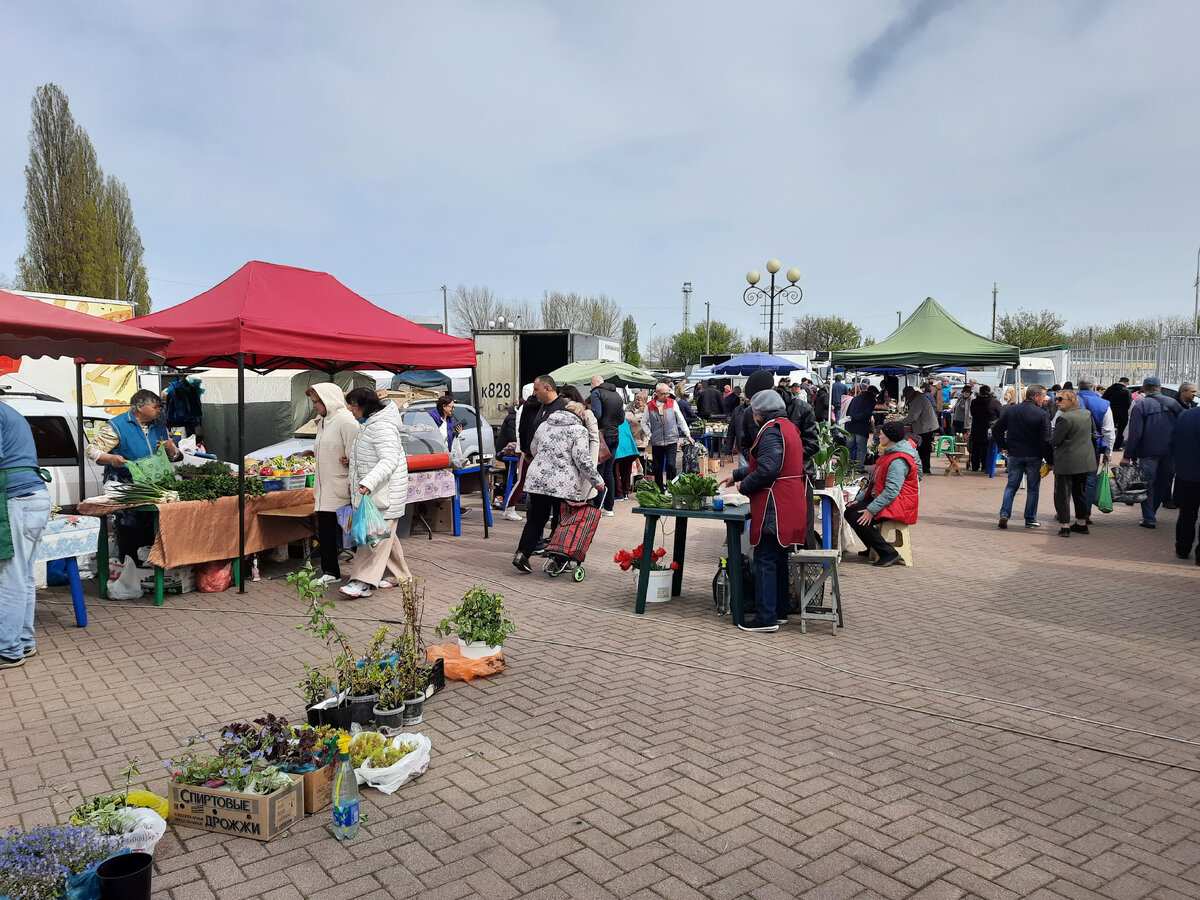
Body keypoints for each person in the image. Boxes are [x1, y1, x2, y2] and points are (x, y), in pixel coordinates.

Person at [720, 390, 806, 633]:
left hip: (775, 501)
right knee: (778, 558)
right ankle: (778, 612)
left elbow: (768, 469)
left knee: (765, 558)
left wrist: (744, 486)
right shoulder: (786, 425)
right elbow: (771, 463)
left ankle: (766, 617)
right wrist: (736, 475)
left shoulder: (770, 430)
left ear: (758, 413)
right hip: (789, 498)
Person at [85, 389, 184, 563]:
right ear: (139, 406)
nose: (159, 410)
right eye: (155, 407)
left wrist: (171, 449)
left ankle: (150, 569)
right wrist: (111, 458)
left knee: (153, 529)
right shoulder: (117, 426)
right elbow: (92, 450)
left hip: (155, 487)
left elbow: (174, 455)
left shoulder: (159, 425)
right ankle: (130, 566)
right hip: (127, 487)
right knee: (130, 529)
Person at [512, 405, 605, 573]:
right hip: (563, 482)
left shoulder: (544, 425)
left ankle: (522, 554)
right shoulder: (579, 430)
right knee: (562, 520)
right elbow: (582, 459)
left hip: (537, 479)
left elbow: (534, 449)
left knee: (536, 519)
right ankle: (558, 559)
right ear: (580, 415)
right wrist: (597, 481)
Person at [340, 388, 410, 598]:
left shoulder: (381, 427)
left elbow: (388, 460)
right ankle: (401, 576)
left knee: (374, 539)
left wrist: (368, 482)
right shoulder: (369, 425)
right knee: (386, 537)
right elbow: (369, 456)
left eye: (354, 406)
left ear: (365, 406)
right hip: (377, 492)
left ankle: (363, 581)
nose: (351, 410)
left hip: (384, 494)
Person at [0, 403, 52, 669]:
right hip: (33, 496)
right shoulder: (9, 411)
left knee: (10, 576)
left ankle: (7, 650)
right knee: (23, 575)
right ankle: (23, 641)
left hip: (17, 498)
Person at [845, 421, 919, 568]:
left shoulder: (898, 460)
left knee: (857, 517)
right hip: (888, 499)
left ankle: (888, 552)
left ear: (890, 437)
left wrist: (871, 510)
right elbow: (875, 483)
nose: (879, 436)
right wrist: (858, 499)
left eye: (882, 434)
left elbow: (891, 491)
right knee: (849, 511)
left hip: (899, 503)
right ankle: (873, 546)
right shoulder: (889, 454)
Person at [306, 384, 359, 585]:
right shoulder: (322, 422)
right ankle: (330, 571)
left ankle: (366, 571)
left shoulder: (347, 422)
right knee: (325, 531)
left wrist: (351, 479)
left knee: (352, 533)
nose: (314, 406)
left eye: (316, 401)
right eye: (313, 402)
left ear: (328, 399)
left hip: (342, 487)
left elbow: (356, 454)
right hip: (324, 487)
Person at [1121, 376, 1182, 528]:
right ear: (1160, 387)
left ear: (1144, 389)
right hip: (1170, 451)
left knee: (1147, 484)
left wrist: (1128, 456)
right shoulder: (1173, 403)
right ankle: (1152, 512)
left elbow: (1135, 434)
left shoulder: (1141, 406)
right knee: (1164, 483)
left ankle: (1149, 518)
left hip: (1148, 451)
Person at [993, 384, 1052, 528]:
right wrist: (1050, 459)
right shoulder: (1042, 414)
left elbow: (996, 428)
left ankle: (1004, 513)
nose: (1044, 400)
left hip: (1015, 454)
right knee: (1033, 489)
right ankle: (1030, 518)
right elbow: (1046, 439)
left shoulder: (1012, 410)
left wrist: (1004, 445)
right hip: (1033, 455)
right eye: (1043, 396)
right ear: (1036, 396)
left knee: (1011, 486)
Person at [1049, 390, 1097, 537]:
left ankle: (1065, 526)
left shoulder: (1065, 418)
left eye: (1060, 399)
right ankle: (1082, 523)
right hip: (1085, 461)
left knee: (1062, 494)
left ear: (1071, 400)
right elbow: (1093, 432)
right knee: (1080, 492)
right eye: (1056, 398)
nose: (1057, 402)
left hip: (1067, 461)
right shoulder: (1086, 414)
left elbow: (1056, 441)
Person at [1075, 377, 1116, 520]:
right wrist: (1108, 451)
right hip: (1093, 447)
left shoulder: (1070, 401)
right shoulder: (1104, 404)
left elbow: (1056, 424)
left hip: (1071, 447)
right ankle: (1084, 514)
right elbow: (1109, 431)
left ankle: (1065, 512)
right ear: (1094, 388)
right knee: (1090, 479)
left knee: (1070, 480)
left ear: (1078, 387)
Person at [643, 382, 694, 490]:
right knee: (657, 467)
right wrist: (650, 434)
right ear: (657, 393)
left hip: (671, 440)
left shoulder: (672, 403)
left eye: (667, 393)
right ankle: (659, 489)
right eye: (663, 394)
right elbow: (643, 422)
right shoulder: (649, 405)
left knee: (671, 465)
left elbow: (681, 419)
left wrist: (688, 434)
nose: (666, 396)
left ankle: (672, 487)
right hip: (657, 441)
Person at [589, 376, 624, 516]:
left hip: (602, 436)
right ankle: (609, 508)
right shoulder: (616, 394)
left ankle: (598, 505)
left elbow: (597, 414)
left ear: (594, 383)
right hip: (615, 435)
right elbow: (621, 418)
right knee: (609, 472)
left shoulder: (596, 393)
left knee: (599, 472)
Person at [1172, 403, 1200, 563]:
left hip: (1186, 474)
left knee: (1186, 514)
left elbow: (1174, 440)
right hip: (1188, 472)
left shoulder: (1185, 415)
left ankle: (1182, 549)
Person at [898, 385, 939, 475]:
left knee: (924, 449)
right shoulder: (917, 398)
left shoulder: (919, 399)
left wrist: (901, 423)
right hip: (924, 426)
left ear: (911, 392)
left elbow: (913, 416)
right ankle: (922, 468)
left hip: (926, 427)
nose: (906, 397)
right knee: (922, 448)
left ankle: (925, 469)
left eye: (906, 395)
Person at [617, 391, 649, 499]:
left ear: (644, 401)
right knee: (630, 465)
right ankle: (629, 486)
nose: (637, 401)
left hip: (639, 440)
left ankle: (636, 483)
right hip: (627, 439)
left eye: (640, 399)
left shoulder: (646, 411)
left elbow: (649, 425)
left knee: (637, 463)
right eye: (636, 399)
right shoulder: (628, 408)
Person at [967, 385, 1001, 473]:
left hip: (977, 427)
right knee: (987, 448)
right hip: (989, 428)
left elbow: (972, 413)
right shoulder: (994, 402)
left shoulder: (974, 402)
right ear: (989, 391)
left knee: (976, 448)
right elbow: (1000, 414)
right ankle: (985, 467)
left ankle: (975, 466)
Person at [846, 385, 879, 471]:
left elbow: (848, 411)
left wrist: (853, 418)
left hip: (850, 425)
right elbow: (867, 412)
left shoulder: (856, 398)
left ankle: (846, 466)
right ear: (874, 393)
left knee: (849, 447)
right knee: (861, 448)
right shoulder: (871, 400)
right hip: (861, 426)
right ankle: (859, 467)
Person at [1103, 377, 1132, 451]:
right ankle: (1117, 446)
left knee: (1108, 428)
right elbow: (1128, 404)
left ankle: (1106, 445)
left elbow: (1104, 399)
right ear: (1125, 382)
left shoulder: (1110, 389)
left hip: (1110, 411)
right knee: (1120, 430)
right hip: (1122, 413)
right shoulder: (1126, 391)